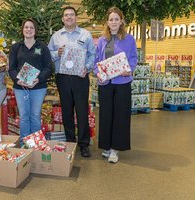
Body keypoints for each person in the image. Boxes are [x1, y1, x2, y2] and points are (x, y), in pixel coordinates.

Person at [48, 6, 95, 157]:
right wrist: (57, 53)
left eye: (72, 15)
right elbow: (48, 55)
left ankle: (83, 144)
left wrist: (87, 68)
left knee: (82, 111)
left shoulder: (85, 34)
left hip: (80, 77)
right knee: (67, 111)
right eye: (66, 15)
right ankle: (70, 142)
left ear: (76, 18)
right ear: (62, 19)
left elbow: (92, 55)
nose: (69, 17)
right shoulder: (56, 36)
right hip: (63, 78)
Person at [94, 7, 137, 163]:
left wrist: (129, 70)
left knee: (120, 115)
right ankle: (106, 146)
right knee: (105, 114)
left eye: (116, 19)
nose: (113, 22)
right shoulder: (101, 40)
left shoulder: (129, 39)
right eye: (111, 19)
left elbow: (133, 59)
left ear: (121, 21)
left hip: (122, 83)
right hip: (105, 83)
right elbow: (96, 61)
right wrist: (97, 73)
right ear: (107, 22)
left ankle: (115, 149)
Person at [8, 18, 52, 143]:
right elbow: (12, 68)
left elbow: (48, 67)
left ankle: (36, 144)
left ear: (35, 30)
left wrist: (38, 79)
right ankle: (25, 144)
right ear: (22, 30)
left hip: (38, 87)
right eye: (26, 27)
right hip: (20, 88)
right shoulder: (16, 47)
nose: (28, 30)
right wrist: (18, 80)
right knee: (23, 117)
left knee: (35, 116)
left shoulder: (42, 47)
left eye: (31, 27)